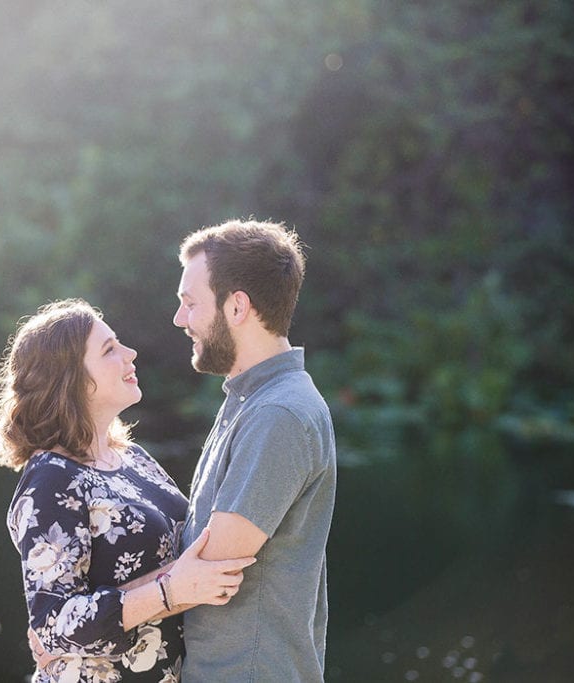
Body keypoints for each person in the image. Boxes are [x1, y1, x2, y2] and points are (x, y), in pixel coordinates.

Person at [0, 299, 256, 683]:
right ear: (71, 379)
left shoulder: (134, 459)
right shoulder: (51, 478)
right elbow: (52, 622)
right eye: (110, 349)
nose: (131, 354)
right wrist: (168, 592)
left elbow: (179, 567)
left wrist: (175, 586)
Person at [172, 219, 337, 682]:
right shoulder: (251, 400)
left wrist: (80, 618)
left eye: (190, 303)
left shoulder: (278, 414)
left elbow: (207, 572)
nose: (180, 319)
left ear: (237, 306)